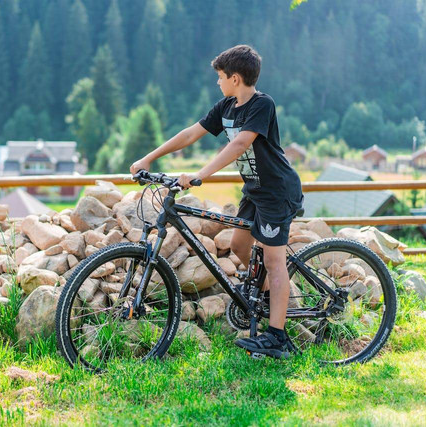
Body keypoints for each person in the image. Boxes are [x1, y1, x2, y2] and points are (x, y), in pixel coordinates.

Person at [129, 44, 303, 359]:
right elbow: (189, 134)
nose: (218, 83)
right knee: (239, 246)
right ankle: (265, 304)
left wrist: (200, 174)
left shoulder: (262, 105)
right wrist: (149, 157)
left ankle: (277, 337)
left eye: (220, 77)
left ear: (235, 78)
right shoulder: (226, 106)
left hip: (278, 191)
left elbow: (240, 143)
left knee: (274, 262)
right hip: (255, 190)